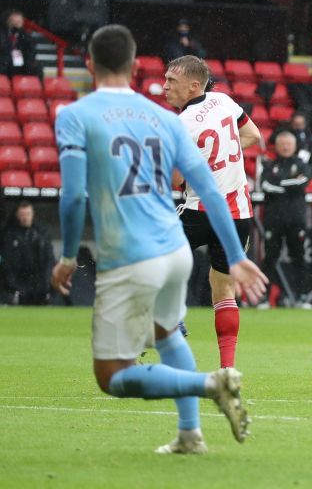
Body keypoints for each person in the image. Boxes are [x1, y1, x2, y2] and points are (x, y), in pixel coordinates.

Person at [51, 24, 267, 454]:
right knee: (175, 327)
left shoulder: (77, 115)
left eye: (170, 79)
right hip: (207, 227)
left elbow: (74, 195)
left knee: (113, 372)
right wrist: (238, 253)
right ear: (133, 67)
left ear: (90, 64)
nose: (165, 85)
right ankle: (192, 431)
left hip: (139, 244)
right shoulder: (172, 117)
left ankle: (211, 382)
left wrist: (68, 253)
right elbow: (212, 182)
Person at [162, 55, 262, 368]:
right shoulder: (223, 101)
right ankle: (228, 369)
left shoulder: (178, 125)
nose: (164, 87)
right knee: (223, 289)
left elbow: (177, 179)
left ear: (193, 86)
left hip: (200, 210)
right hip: (238, 213)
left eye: (171, 82)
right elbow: (253, 136)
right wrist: (221, 161)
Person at [260, 130, 312, 303]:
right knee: (269, 258)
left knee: (299, 256)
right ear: (276, 145)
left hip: (295, 219)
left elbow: (303, 181)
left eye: (289, 144)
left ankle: (302, 296)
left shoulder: (301, 164)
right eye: (282, 143)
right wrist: (289, 184)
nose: (286, 147)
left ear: (295, 146)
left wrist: (280, 183)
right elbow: (266, 185)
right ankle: (265, 297)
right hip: (273, 220)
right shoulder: (270, 165)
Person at [2, 201, 53, 305]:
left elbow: (48, 260)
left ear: (33, 214)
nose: (25, 217)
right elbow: (7, 264)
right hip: (18, 284)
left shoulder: (41, 233)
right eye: (22, 215)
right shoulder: (9, 235)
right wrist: (13, 286)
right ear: (17, 216)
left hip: (39, 284)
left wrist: (46, 285)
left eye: (28, 214)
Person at [270, 112, 312, 177]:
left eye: (301, 124)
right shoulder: (285, 132)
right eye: (296, 124)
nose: (299, 127)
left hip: (311, 161)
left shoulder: (309, 135)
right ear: (291, 123)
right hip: (292, 161)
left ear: (304, 124)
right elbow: (273, 140)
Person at [0, 9, 41, 78]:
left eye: (19, 21)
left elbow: (31, 52)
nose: (16, 24)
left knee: (37, 68)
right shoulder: (2, 34)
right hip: (5, 63)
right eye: (14, 21)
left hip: (22, 64)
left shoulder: (26, 36)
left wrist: (27, 62)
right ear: (7, 21)